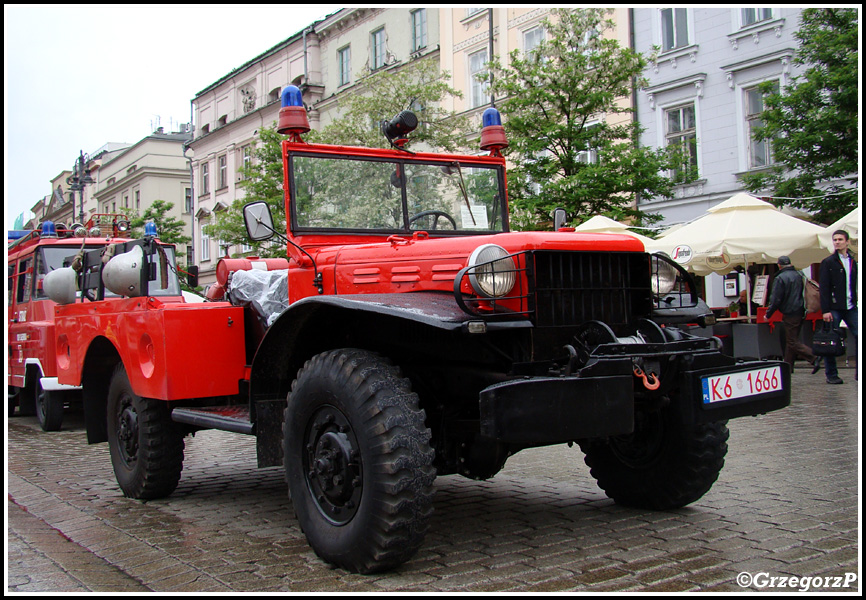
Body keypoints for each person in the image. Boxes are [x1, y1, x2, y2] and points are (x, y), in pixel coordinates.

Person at [817, 230, 858, 384]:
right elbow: (825, 287)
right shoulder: (828, 262)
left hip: (851, 305)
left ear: (847, 242)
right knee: (830, 340)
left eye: (840, 239)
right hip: (834, 306)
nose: (837, 242)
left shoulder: (853, 262)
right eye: (835, 240)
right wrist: (825, 310)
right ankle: (831, 374)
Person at [765, 255, 817, 372]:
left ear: (779, 265)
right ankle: (787, 367)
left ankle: (814, 357)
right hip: (801, 310)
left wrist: (768, 314)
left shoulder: (780, 278)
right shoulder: (799, 275)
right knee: (791, 340)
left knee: (792, 341)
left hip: (790, 312)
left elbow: (776, 299)